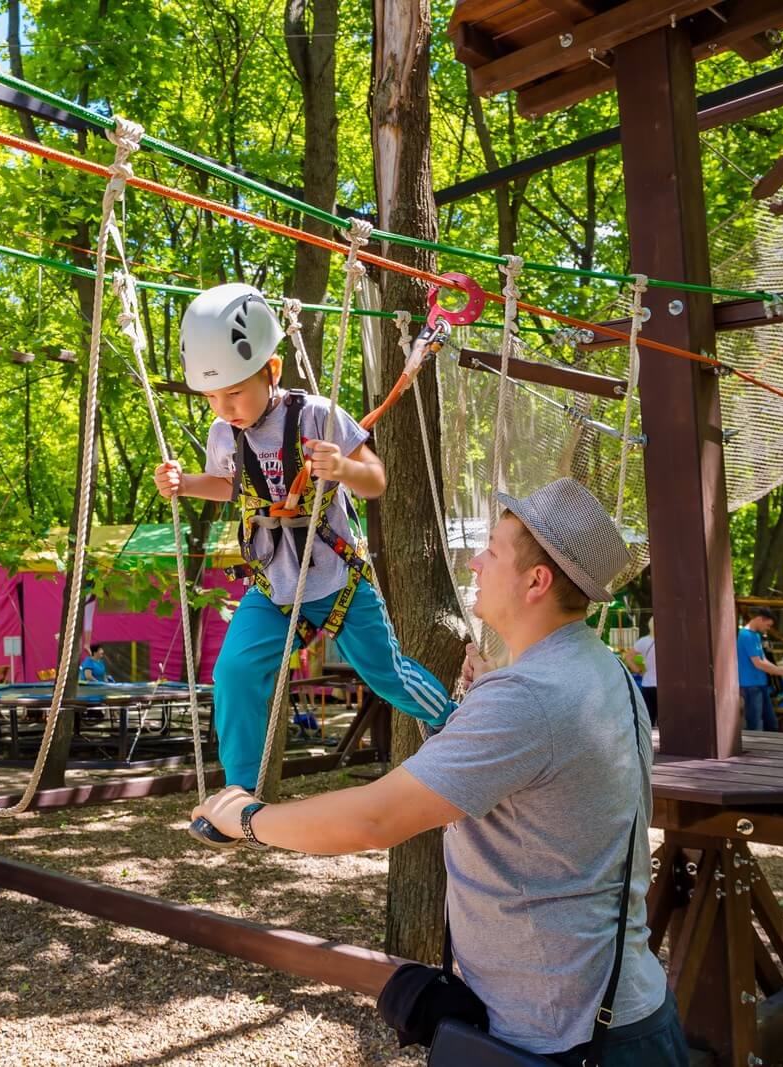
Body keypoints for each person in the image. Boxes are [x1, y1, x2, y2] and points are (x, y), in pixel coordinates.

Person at [189, 479, 687, 1064]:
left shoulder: (527, 696)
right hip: (612, 1011)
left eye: (493, 551)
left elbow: (376, 819)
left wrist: (249, 818)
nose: (475, 562)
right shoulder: (601, 669)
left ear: (537, 581)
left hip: (564, 1036)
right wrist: (481, 707)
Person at [153, 282, 454, 798]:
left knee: (385, 675)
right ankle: (239, 793)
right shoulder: (225, 433)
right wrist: (185, 486)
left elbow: (375, 479)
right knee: (235, 673)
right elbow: (228, 486)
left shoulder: (315, 413)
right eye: (212, 397)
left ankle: (457, 724)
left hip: (337, 578)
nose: (225, 408)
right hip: (273, 584)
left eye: (234, 393)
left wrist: (340, 466)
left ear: (271, 372)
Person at [737, 608, 783, 732]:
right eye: (768, 625)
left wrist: (780, 669)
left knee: (771, 723)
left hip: (761, 684)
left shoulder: (755, 635)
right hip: (750, 685)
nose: (768, 629)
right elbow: (758, 663)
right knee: (755, 724)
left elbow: (763, 659)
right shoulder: (745, 635)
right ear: (760, 619)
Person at [630, 616, 658, 726]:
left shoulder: (644, 641)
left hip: (648, 683)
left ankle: (650, 741)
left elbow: (628, 657)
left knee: (649, 719)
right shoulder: (669, 640)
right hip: (667, 686)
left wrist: (638, 670)